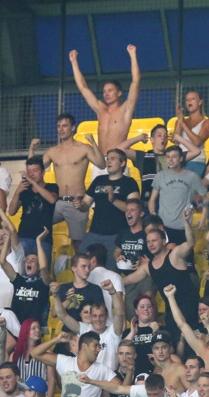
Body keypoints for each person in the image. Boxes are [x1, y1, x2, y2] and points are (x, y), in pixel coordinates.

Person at [32, 114, 105, 247]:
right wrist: (32, 149)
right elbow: (33, 169)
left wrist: (93, 143)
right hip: (57, 201)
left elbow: (101, 164)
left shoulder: (83, 148)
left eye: (65, 126)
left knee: (77, 243)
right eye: (59, 126)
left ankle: (80, 267)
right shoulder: (53, 151)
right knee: (35, 226)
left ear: (73, 128)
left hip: (76, 201)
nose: (61, 129)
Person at [69, 45, 140, 154]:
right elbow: (83, 88)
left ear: (119, 93)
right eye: (104, 91)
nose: (106, 94)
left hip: (117, 160)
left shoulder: (125, 109)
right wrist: (74, 62)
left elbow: (135, 82)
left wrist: (133, 55)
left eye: (110, 90)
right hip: (101, 162)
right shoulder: (100, 109)